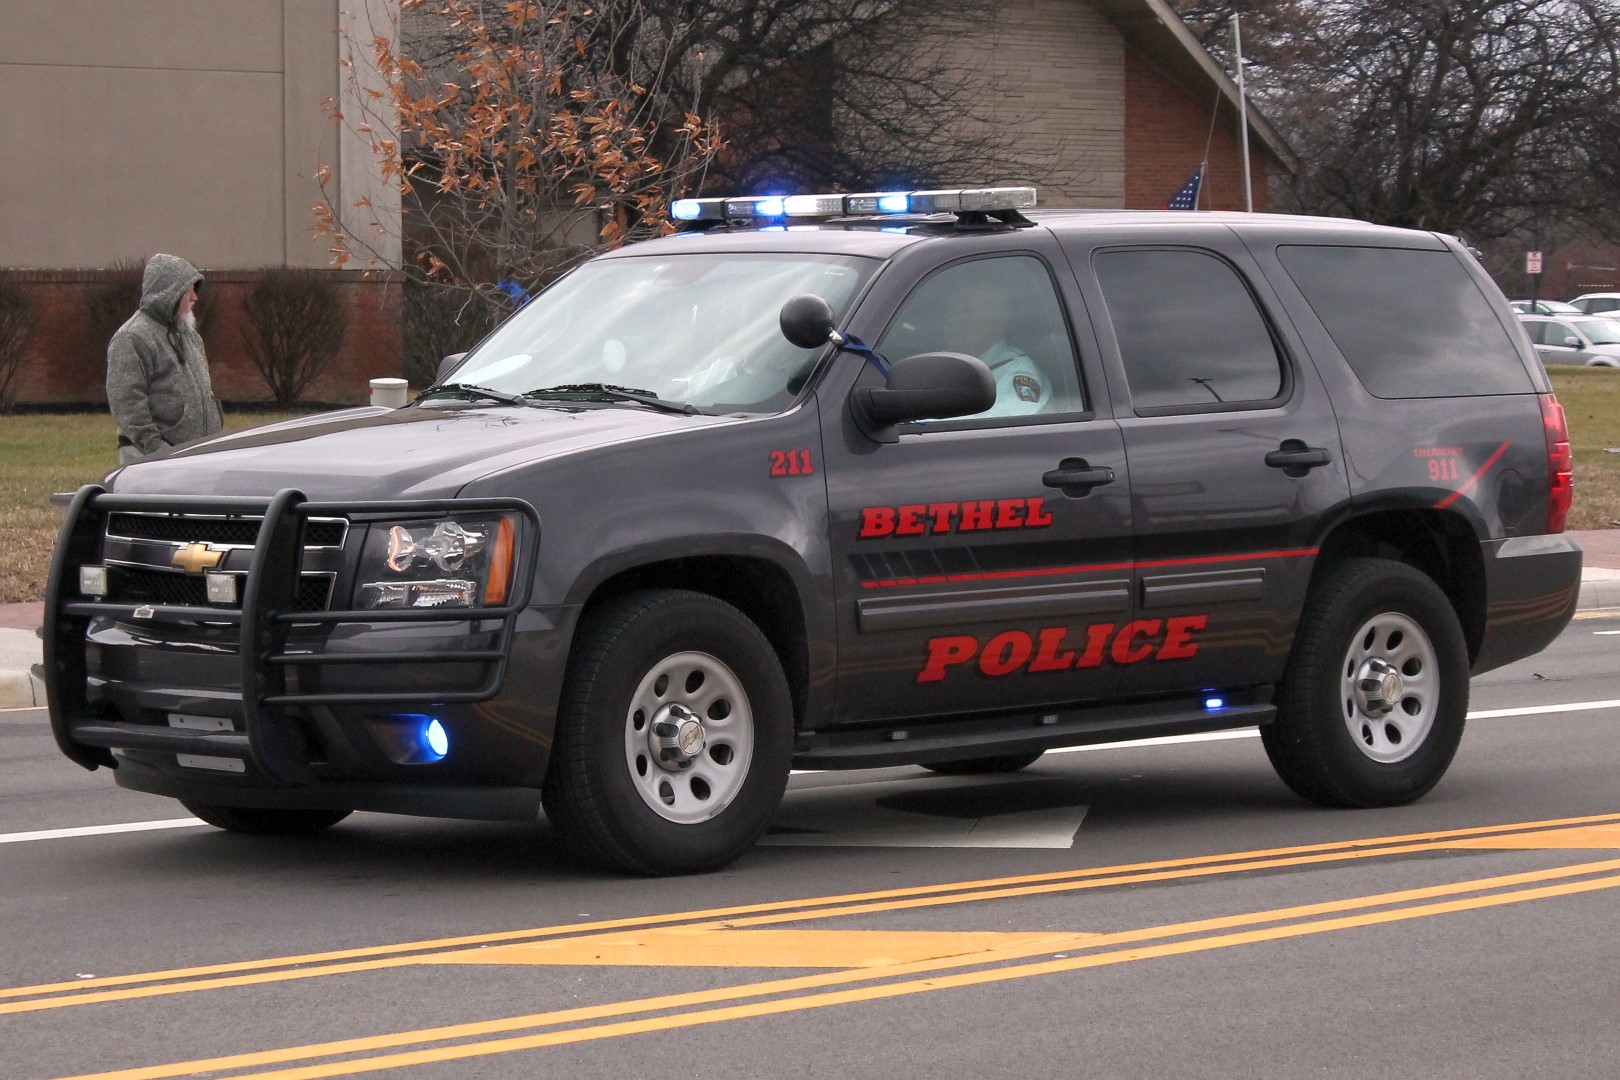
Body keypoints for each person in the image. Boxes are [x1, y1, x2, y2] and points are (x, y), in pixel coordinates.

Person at [106, 254, 224, 465]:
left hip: (195, 456)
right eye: (188, 290)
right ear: (168, 293)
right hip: (152, 460)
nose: (194, 297)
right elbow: (127, 402)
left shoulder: (190, 336)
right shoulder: (132, 337)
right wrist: (156, 449)